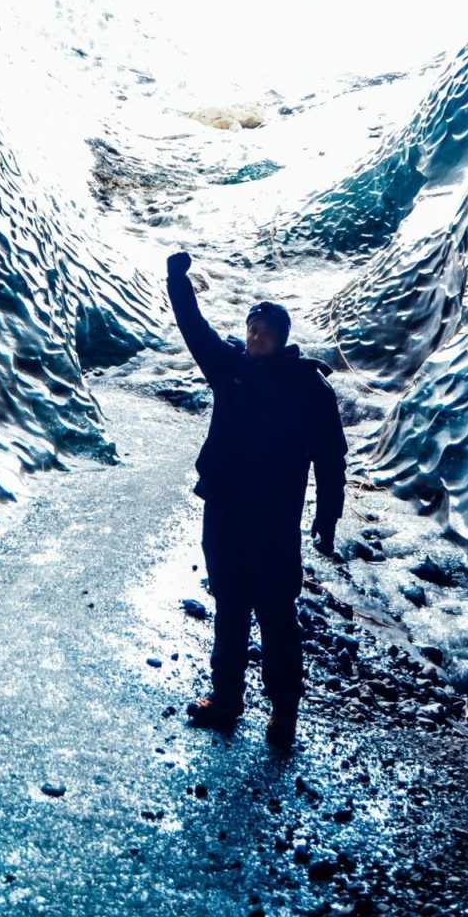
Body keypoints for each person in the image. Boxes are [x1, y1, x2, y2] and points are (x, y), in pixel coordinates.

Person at [166, 249, 348, 749]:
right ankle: (226, 700)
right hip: (224, 509)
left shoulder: (309, 388)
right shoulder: (229, 368)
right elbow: (193, 329)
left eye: (266, 328)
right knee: (228, 604)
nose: (256, 334)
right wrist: (177, 282)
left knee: (275, 613)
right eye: (252, 327)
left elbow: (332, 456)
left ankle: (284, 714)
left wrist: (327, 516)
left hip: (274, 519)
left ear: (283, 336)